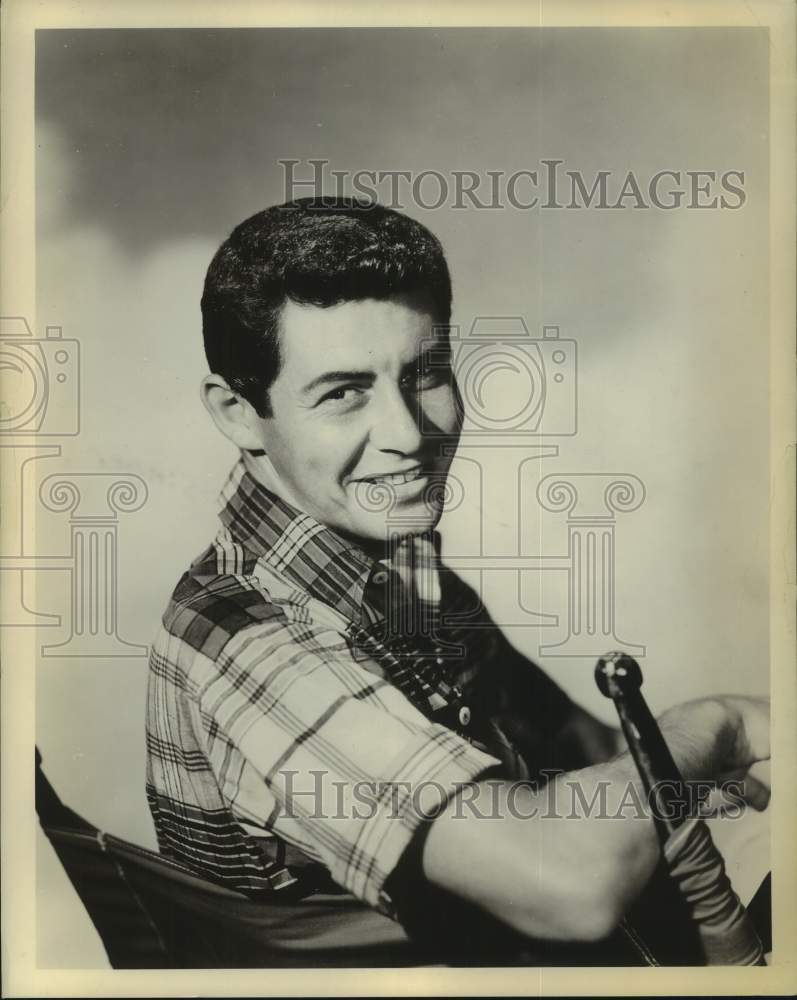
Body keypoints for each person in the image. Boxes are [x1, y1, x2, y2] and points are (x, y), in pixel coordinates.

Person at [145, 197, 770, 963]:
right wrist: (717, 726)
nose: (408, 434)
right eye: (342, 392)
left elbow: (588, 755)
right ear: (239, 413)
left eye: (425, 373)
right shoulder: (248, 641)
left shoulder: (399, 571)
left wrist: (718, 778)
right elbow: (569, 884)